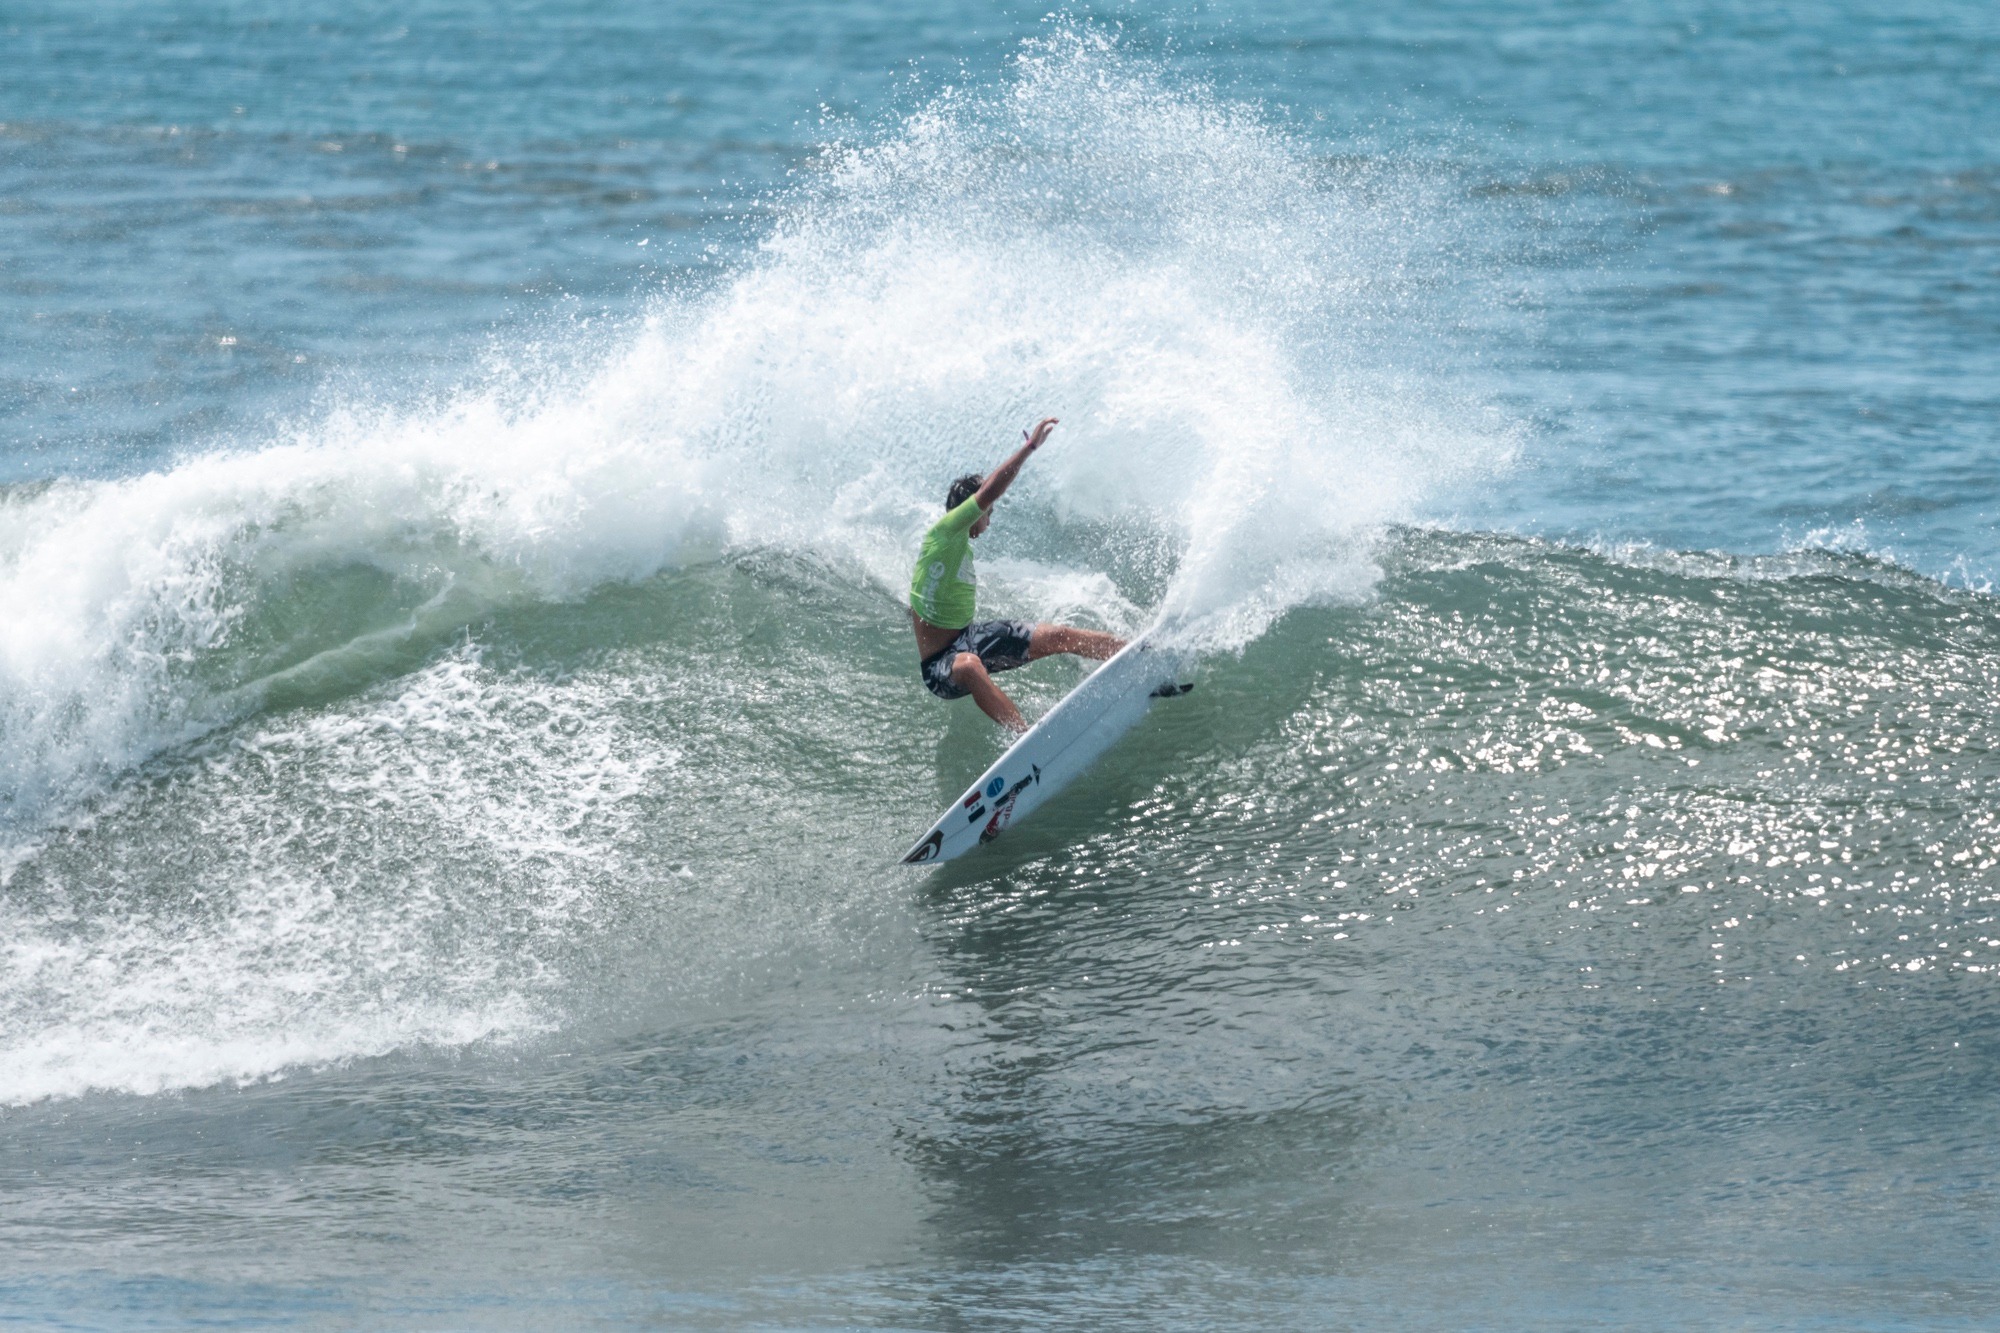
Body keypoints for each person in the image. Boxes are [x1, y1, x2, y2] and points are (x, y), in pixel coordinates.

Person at [910, 417, 1125, 733]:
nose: (988, 523)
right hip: (940, 668)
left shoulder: (953, 547)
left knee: (1058, 635)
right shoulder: (945, 534)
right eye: (988, 515)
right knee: (969, 667)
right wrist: (1029, 448)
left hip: (970, 639)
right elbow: (991, 489)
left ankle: (1135, 655)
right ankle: (1025, 740)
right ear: (976, 510)